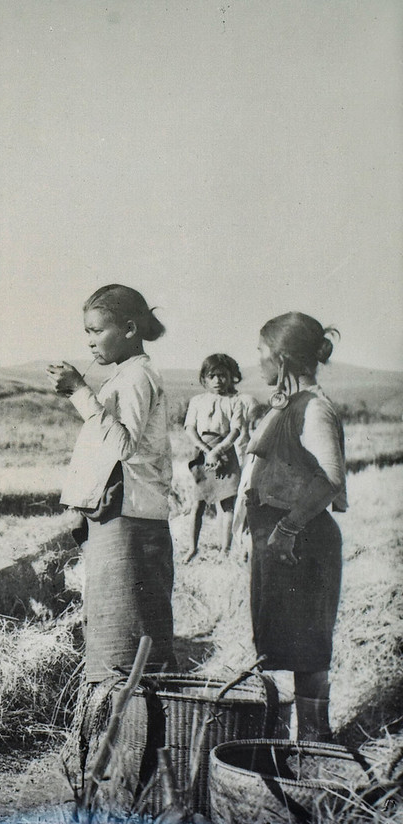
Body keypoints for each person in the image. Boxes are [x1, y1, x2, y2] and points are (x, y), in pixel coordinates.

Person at [46, 284, 175, 682]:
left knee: (124, 644)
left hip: (131, 521)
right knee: (114, 636)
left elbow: (123, 445)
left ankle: (128, 737)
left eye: (98, 331)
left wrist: (80, 393)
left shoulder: (137, 377)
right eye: (86, 332)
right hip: (121, 518)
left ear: (130, 329)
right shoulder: (125, 376)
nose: (90, 342)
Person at [236, 312, 345, 742]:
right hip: (283, 541)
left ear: (281, 359)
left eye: (261, 353)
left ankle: (316, 740)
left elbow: (329, 479)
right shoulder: (286, 406)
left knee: (309, 647)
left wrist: (288, 528)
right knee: (289, 643)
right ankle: (296, 738)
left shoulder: (314, 409)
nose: (256, 361)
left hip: (302, 542)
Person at [182, 353, 255, 561]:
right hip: (202, 454)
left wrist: (218, 451)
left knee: (227, 503)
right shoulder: (197, 401)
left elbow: (235, 431)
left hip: (225, 454)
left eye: (222, 376)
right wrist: (207, 451)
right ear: (204, 378)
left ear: (232, 377)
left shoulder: (235, 402)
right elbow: (190, 428)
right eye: (212, 376)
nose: (217, 381)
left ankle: (225, 550)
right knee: (198, 503)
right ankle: (192, 548)